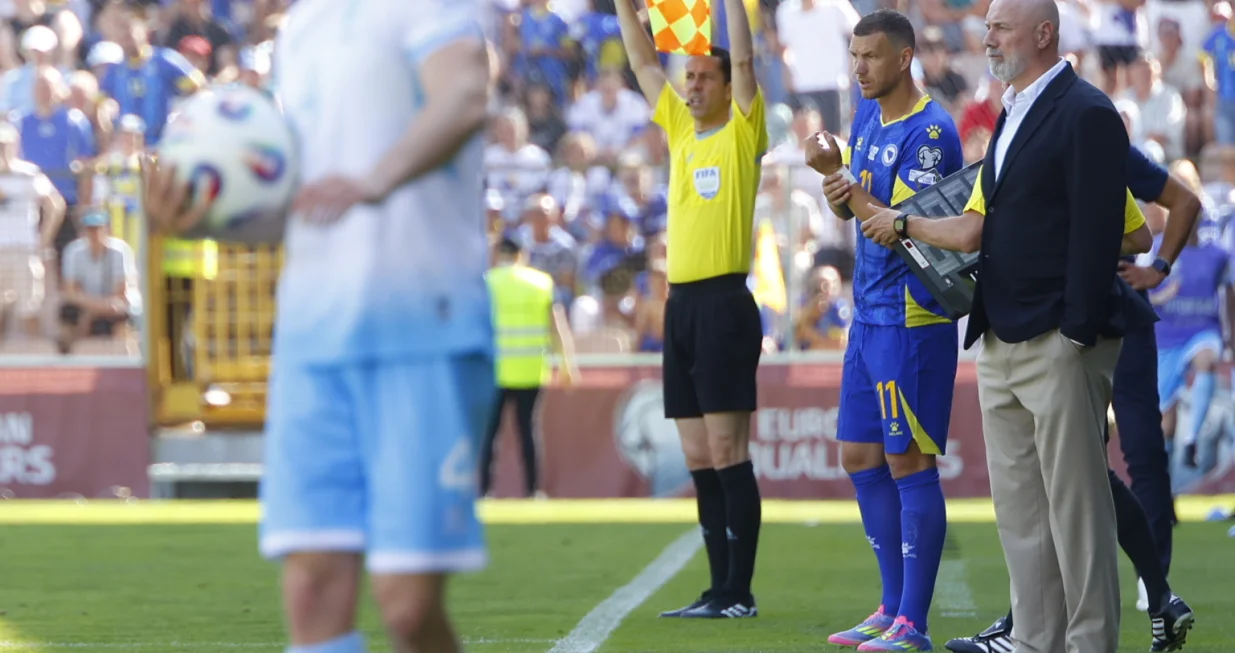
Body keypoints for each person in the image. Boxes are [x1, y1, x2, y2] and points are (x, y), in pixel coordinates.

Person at [140, 0, 494, 651]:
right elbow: (305, 203)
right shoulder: (302, 28)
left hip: (422, 329)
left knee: (408, 605)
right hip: (310, 340)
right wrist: (201, 214)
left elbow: (466, 96)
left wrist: (375, 180)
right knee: (310, 590)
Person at [855, 1, 1156, 651]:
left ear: (1043, 33)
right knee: (1022, 515)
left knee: (1076, 514)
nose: (985, 37)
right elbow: (980, 227)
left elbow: (1111, 232)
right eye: (987, 26)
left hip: (1058, 340)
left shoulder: (1086, 111)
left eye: (999, 26)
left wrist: (1075, 333)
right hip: (1000, 335)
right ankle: (1033, 641)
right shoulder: (1011, 110)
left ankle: (1089, 645)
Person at [935, 147, 1201, 653]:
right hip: (1096, 315)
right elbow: (1144, 226)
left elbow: (1174, 209)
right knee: (1089, 468)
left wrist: (1158, 268)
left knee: (1075, 471)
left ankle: (1042, 621)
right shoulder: (1070, 142)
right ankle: (1156, 596)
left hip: (1089, 318)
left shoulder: (1085, 139)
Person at [801, 9, 962, 651]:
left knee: (908, 459)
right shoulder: (867, 115)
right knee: (860, 455)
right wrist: (835, 183)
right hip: (866, 314)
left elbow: (904, 227)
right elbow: (858, 211)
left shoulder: (931, 132)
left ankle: (913, 625)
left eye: (870, 56)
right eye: (854, 56)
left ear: (904, 57)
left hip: (910, 315)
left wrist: (843, 187)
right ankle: (890, 608)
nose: (859, 68)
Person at [614, 0, 766, 620]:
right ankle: (716, 588)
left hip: (724, 305)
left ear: (729, 87)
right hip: (680, 308)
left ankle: (739, 593)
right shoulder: (679, 128)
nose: (693, 85)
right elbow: (643, 62)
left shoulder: (743, 132)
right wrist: (625, 8)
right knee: (699, 457)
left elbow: (747, 59)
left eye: (705, 77)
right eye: (690, 77)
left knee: (728, 452)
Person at [481, 236, 580, 499]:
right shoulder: (541, 283)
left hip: (495, 370)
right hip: (531, 368)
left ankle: (484, 491)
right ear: (522, 254)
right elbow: (557, 325)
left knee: (490, 434)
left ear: (498, 254)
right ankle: (533, 490)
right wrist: (567, 364)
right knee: (528, 430)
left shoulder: (487, 283)